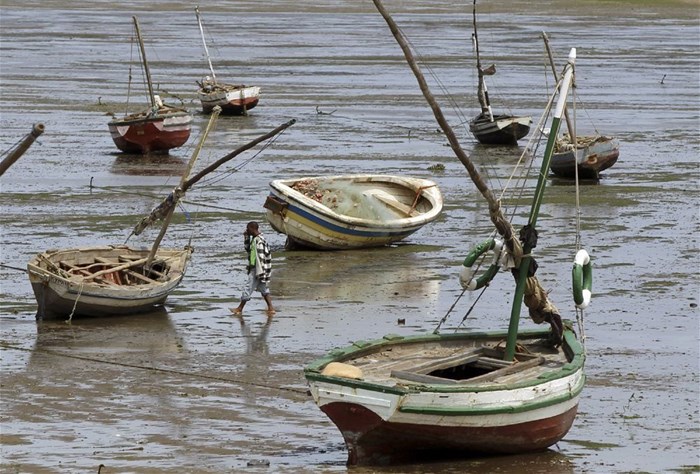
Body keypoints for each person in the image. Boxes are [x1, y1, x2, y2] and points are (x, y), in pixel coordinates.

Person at [230, 221, 275, 316]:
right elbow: (248, 250)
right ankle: (271, 308)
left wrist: (259, 271)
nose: (246, 230)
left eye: (248, 228)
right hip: (257, 268)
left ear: (252, 228)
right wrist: (246, 237)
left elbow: (262, 258)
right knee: (263, 289)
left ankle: (239, 308)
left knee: (248, 287)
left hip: (257, 269)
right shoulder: (255, 239)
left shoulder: (259, 241)